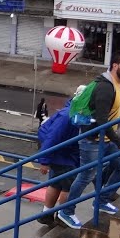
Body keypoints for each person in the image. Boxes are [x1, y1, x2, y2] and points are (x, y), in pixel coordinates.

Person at [57, 52, 120, 229]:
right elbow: (102, 121)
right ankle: (66, 211)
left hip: (107, 139)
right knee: (86, 175)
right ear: (115, 66)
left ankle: (102, 200)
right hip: (92, 139)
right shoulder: (105, 88)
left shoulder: (116, 85)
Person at [35, 91, 83, 228]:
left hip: (61, 155)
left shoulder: (69, 113)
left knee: (55, 184)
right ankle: (63, 215)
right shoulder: (68, 116)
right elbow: (53, 138)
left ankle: (46, 214)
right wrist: (44, 160)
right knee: (69, 187)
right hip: (65, 157)